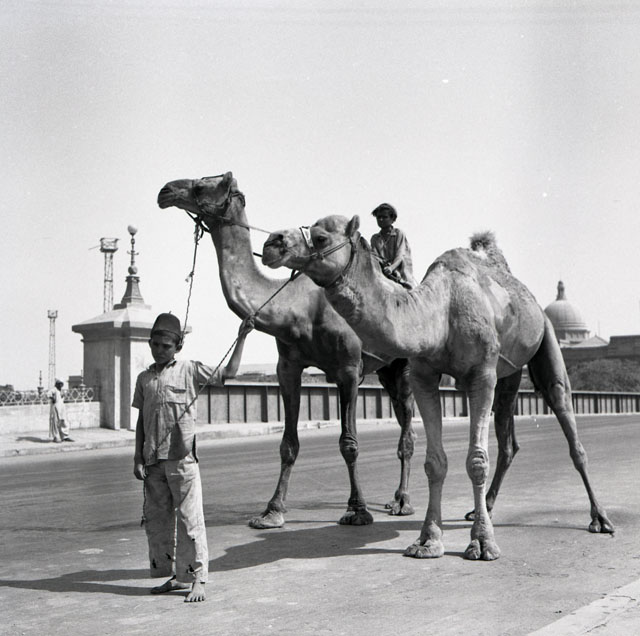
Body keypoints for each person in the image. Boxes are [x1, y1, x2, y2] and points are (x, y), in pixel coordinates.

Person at [132, 312, 254, 603]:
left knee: (189, 521)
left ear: (178, 347)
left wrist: (241, 337)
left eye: (166, 346)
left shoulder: (189, 370)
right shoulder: (144, 378)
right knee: (159, 522)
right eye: (155, 344)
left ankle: (198, 578)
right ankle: (177, 576)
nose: (159, 350)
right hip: (153, 463)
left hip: (182, 461)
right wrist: (137, 456)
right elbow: (140, 420)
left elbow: (230, 372)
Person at [370, 203, 417, 289]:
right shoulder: (375, 238)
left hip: (401, 276)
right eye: (378, 217)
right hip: (383, 275)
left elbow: (400, 255)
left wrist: (391, 268)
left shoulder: (399, 234)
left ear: (392, 219)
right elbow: (375, 257)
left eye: (384, 217)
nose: (381, 219)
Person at [49, 379, 74, 443]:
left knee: (64, 421)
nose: (61, 385)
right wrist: (52, 398)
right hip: (55, 407)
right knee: (55, 422)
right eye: (59, 384)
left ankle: (65, 436)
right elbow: (48, 394)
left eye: (61, 384)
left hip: (62, 407)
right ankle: (56, 437)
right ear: (57, 384)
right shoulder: (54, 390)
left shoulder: (61, 391)